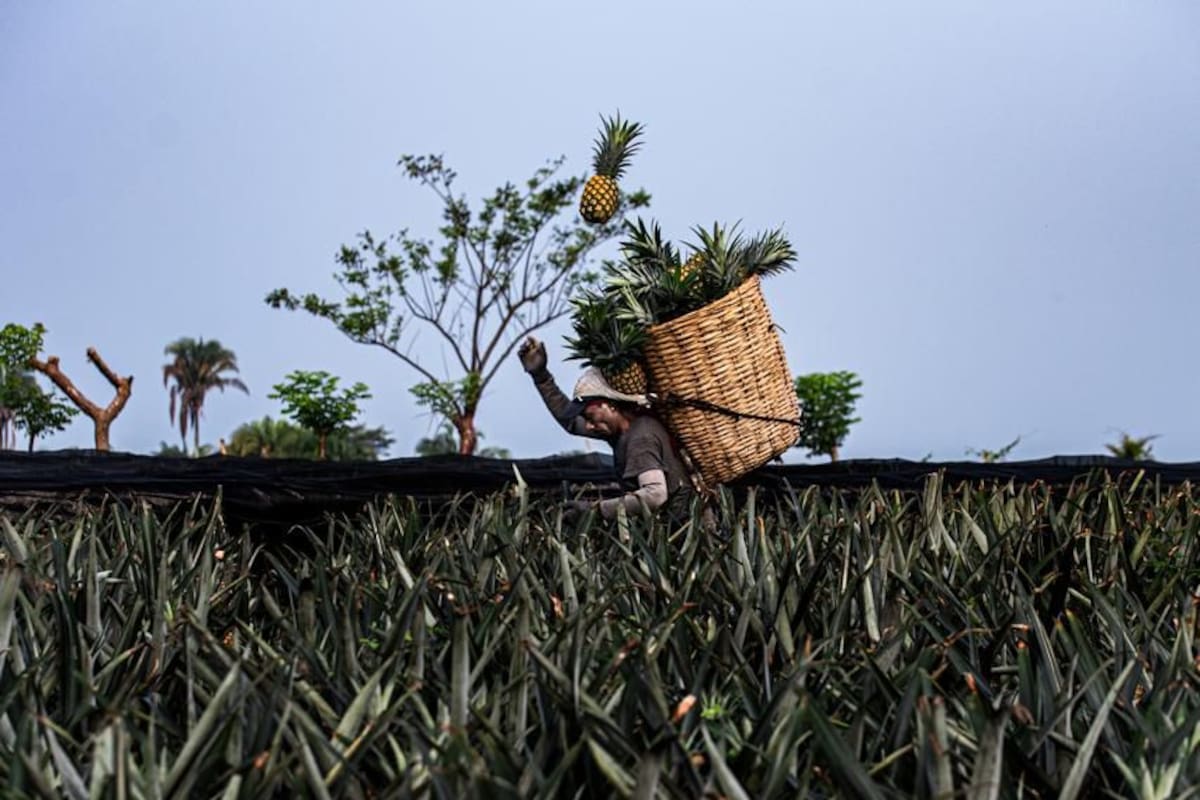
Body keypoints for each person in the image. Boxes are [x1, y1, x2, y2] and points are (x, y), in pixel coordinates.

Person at [518, 336, 692, 521]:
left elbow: (655, 495)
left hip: (680, 528)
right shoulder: (622, 431)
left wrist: (596, 510)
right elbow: (571, 422)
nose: (589, 426)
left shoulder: (640, 437)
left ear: (611, 406)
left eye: (590, 417)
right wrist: (541, 377)